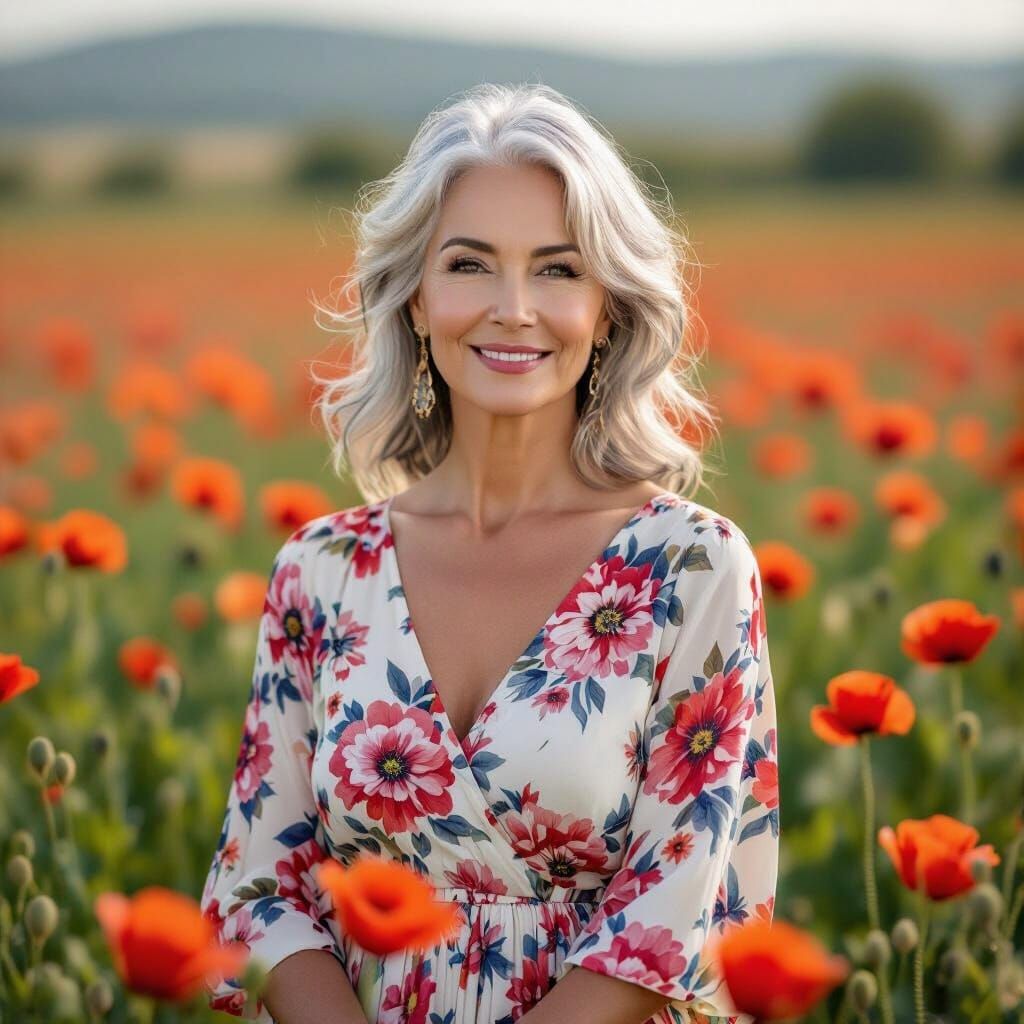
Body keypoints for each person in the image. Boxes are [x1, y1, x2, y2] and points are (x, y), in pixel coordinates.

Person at [200, 82, 779, 1024]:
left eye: (558, 270)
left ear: (608, 309)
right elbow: (259, 889)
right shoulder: (322, 572)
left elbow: (678, 908)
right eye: (470, 264)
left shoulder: (691, 568)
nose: (513, 308)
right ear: (415, 300)